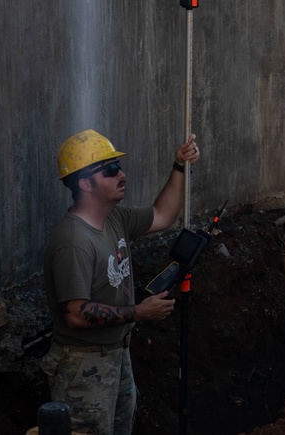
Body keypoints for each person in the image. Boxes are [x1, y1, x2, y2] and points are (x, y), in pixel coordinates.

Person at [40, 129, 200, 434]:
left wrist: (179, 165)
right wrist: (139, 312)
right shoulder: (74, 241)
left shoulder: (116, 219)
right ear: (85, 183)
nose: (122, 174)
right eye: (111, 170)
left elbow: (163, 214)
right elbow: (74, 313)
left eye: (119, 167)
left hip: (116, 356)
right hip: (83, 368)